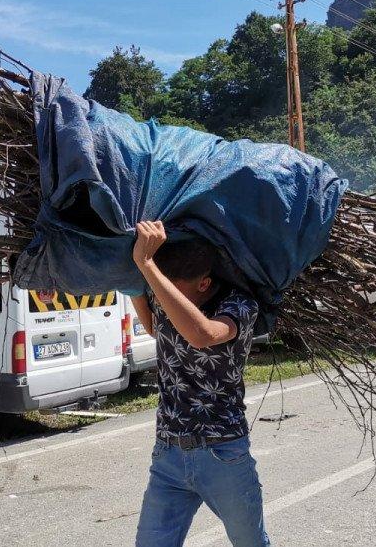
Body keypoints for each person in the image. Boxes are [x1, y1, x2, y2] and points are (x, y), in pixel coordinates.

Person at [129, 221, 269, 547]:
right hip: (168, 454)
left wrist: (147, 265)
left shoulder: (239, 307)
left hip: (222, 453)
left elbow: (202, 335)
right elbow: (155, 327)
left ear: (204, 283)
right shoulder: (164, 292)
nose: (162, 300)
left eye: (171, 292)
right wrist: (135, 285)